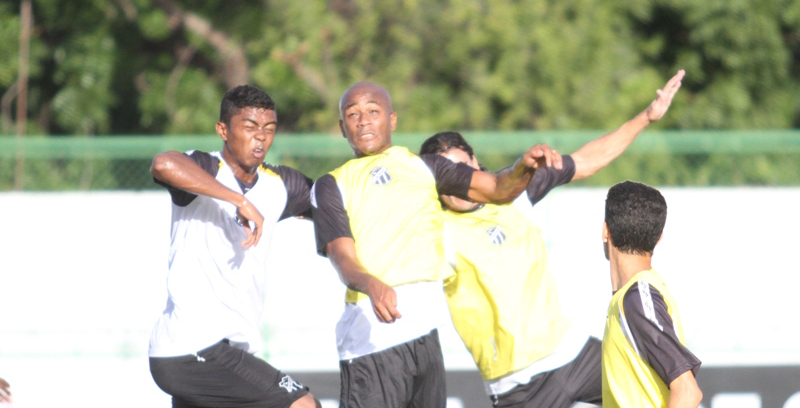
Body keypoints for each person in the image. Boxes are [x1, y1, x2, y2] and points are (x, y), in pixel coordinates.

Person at [418, 70, 685, 407]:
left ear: (476, 162)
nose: (457, 181)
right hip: (518, 387)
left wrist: (646, 117)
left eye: (462, 168)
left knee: (658, 389)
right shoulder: (433, 228)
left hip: (574, 355)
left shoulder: (515, 193)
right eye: (446, 175)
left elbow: (586, 161)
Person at [311, 81, 561, 408]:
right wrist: (371, 284)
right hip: (373, 342)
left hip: (425, 336)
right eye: (352, 114)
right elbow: (342, 257)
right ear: (342, 127)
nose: (363, 120)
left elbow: (497, 189)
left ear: (392, 119)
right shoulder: (331, 184)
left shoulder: (426, 166)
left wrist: (522, 168)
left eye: (373, 111)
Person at [148, 85, 320, 408]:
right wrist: (237, 200)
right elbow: (162, 164)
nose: (261, 137)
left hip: (222, 351)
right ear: (223, 130)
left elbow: (337, 208)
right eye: (250, 127)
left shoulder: (281, 185)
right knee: (302, 404)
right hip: (192, 345)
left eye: (269, 129)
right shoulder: (204, 167)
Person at [601, 181, 702, 407]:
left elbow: (688, 392)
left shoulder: (637, 298)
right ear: (658, 238)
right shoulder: (632, 296)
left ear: (605, 231)